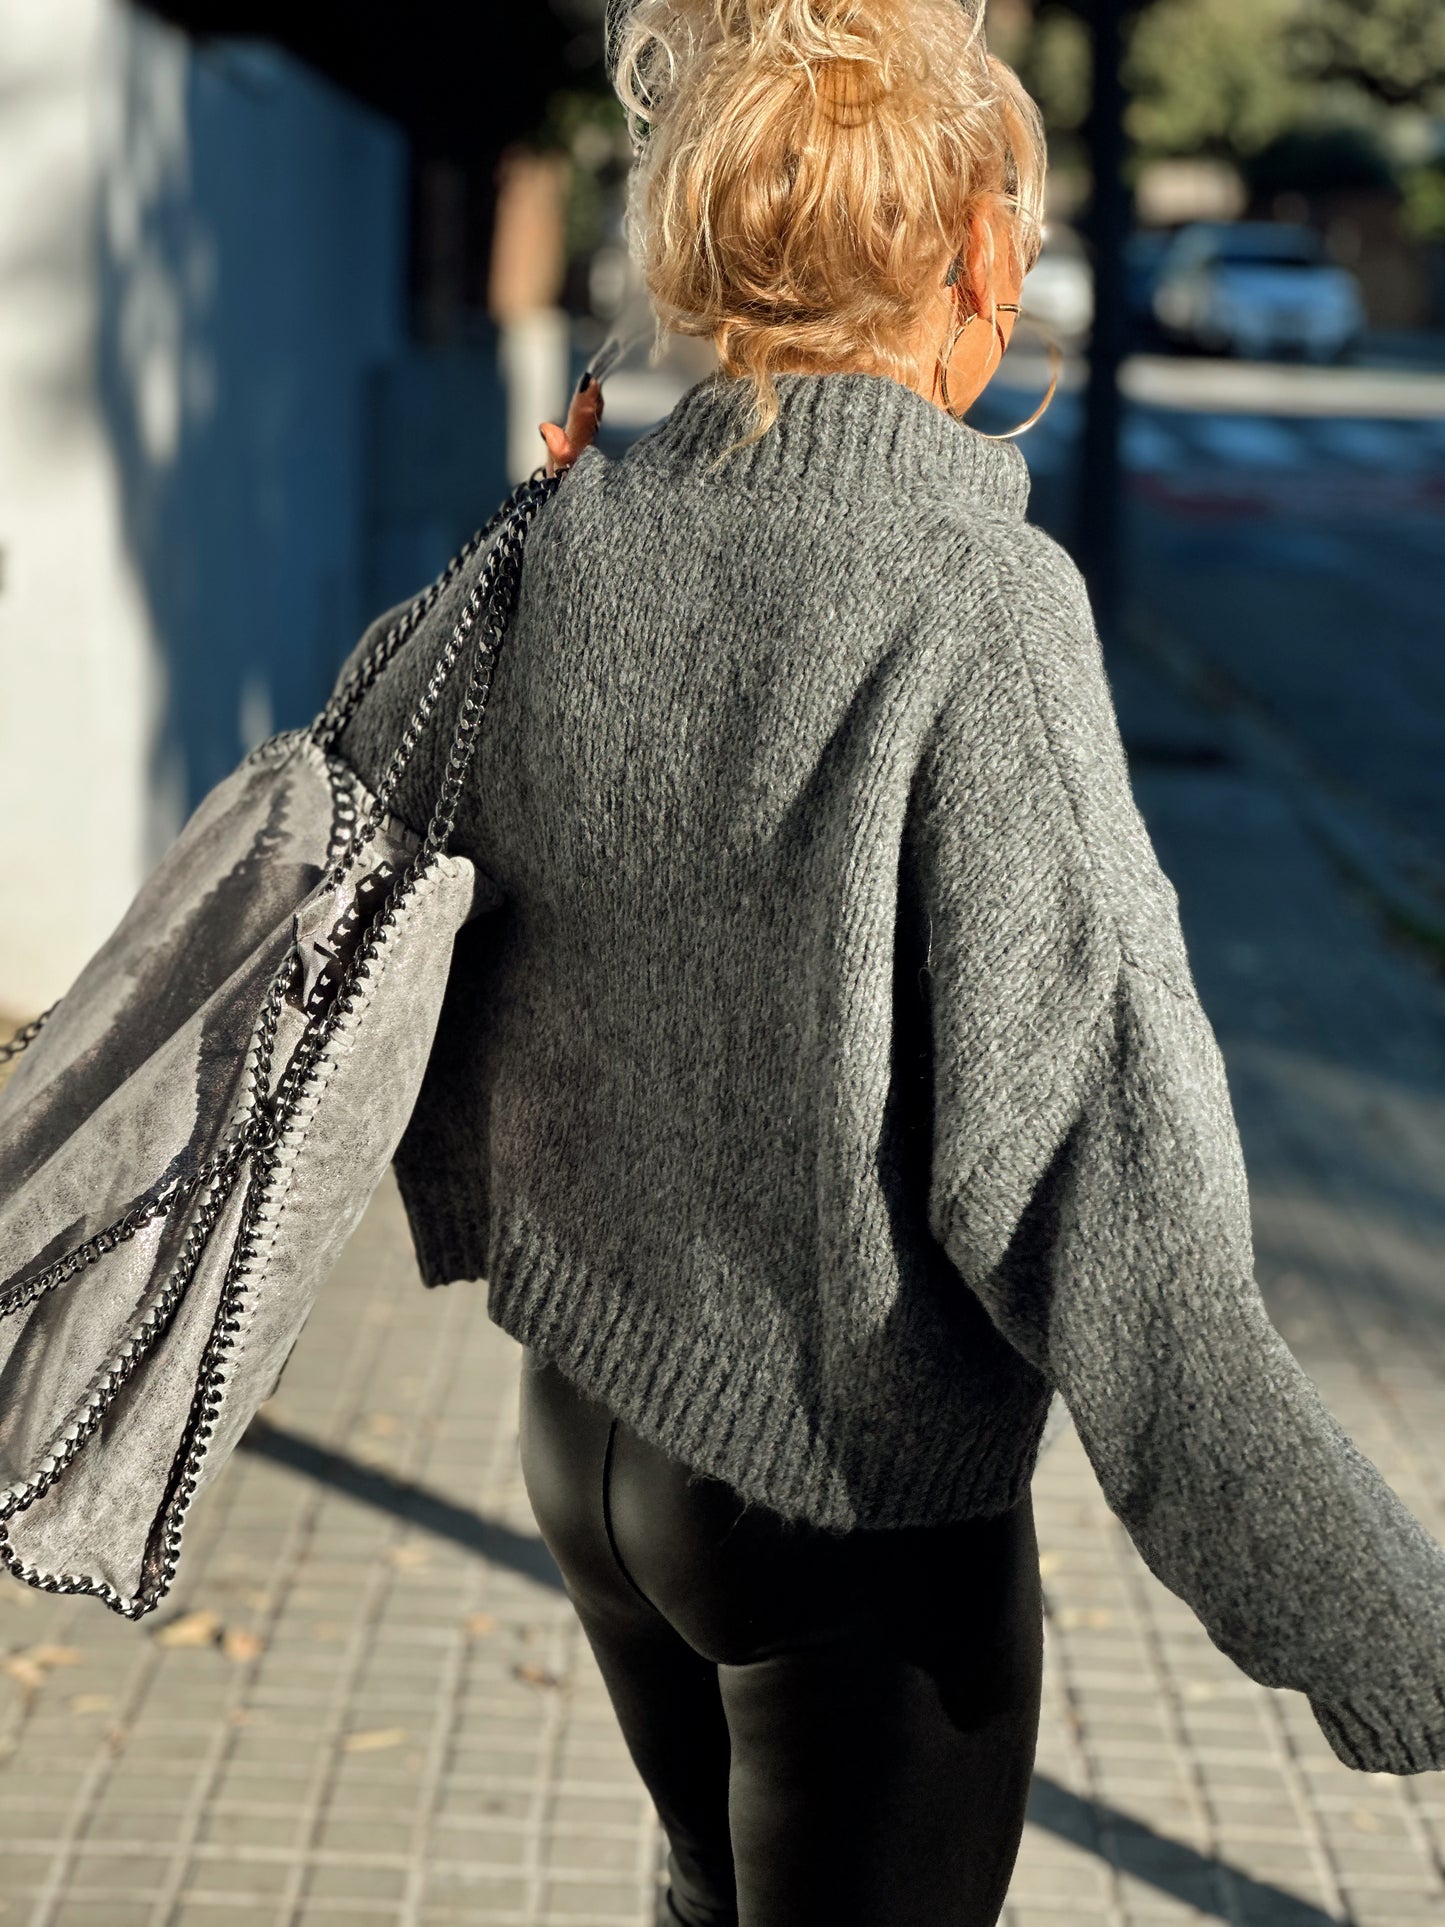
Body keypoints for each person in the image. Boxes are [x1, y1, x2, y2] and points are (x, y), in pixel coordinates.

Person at [333, 2, 1445, 1922]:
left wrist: (544, 516)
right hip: (839, 1518)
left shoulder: (586, 522)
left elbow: (355, 798)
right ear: (979, 259)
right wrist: (1378, 1621)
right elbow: (1104, 1182)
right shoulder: (973, 596)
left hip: (584, 1439)